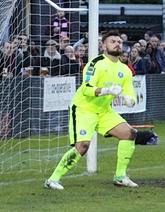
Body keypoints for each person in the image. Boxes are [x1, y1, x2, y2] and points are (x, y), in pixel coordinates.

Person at [45, 30, 138, 190]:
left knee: (129, 133)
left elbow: (130, 93)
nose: (117, 44)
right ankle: (52, 179)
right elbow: (87, 89)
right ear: (104, 46)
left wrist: (130, 100)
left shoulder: (126, 70)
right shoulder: (95, 63)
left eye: (119, 42)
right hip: (84, 109)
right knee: (82, 146)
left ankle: (120, 176)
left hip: (103, 110)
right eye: (113, 41)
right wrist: (107, 91)